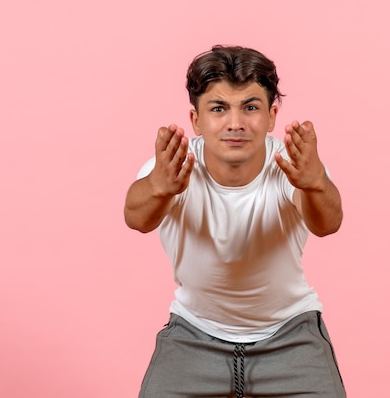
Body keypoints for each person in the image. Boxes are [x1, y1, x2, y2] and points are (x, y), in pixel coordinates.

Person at [124, 45, 346, 397]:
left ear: (272, 116)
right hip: (193, 334)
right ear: (196, 120)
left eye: (251, 107)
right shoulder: (174, 165)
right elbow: (136, 217)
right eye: (218, 108)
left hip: (291, 334)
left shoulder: (294, 164)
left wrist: (316, 183)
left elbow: (327, 223)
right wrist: (159, 187)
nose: (236, 123)